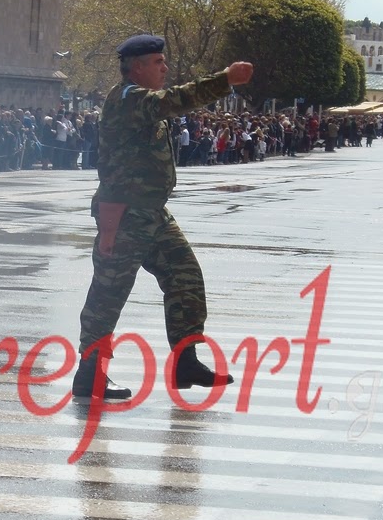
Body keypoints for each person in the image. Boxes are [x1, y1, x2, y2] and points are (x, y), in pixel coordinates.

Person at [72, 33, 254, 400]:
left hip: (152, 213)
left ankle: (186, 361)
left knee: (185, 276)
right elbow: (175, 101)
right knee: (109, 293)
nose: (165, 68)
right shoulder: (130, 99)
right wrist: (225, 79)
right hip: (124, 214)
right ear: (137, 68)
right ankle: (89, 373)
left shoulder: (141, 101)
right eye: (158, 62)